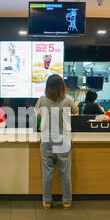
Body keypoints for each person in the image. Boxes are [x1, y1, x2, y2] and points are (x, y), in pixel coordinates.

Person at [35, 75, 79, 210]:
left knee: (47, 173)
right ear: (62, 86)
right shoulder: (69, 100)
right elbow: (76, 112)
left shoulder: (42, 99)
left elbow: (37, 115)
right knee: (65, 173)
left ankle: (47, 202)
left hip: (47, 140)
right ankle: (66, 202)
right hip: (64, 140)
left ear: (47, 86)